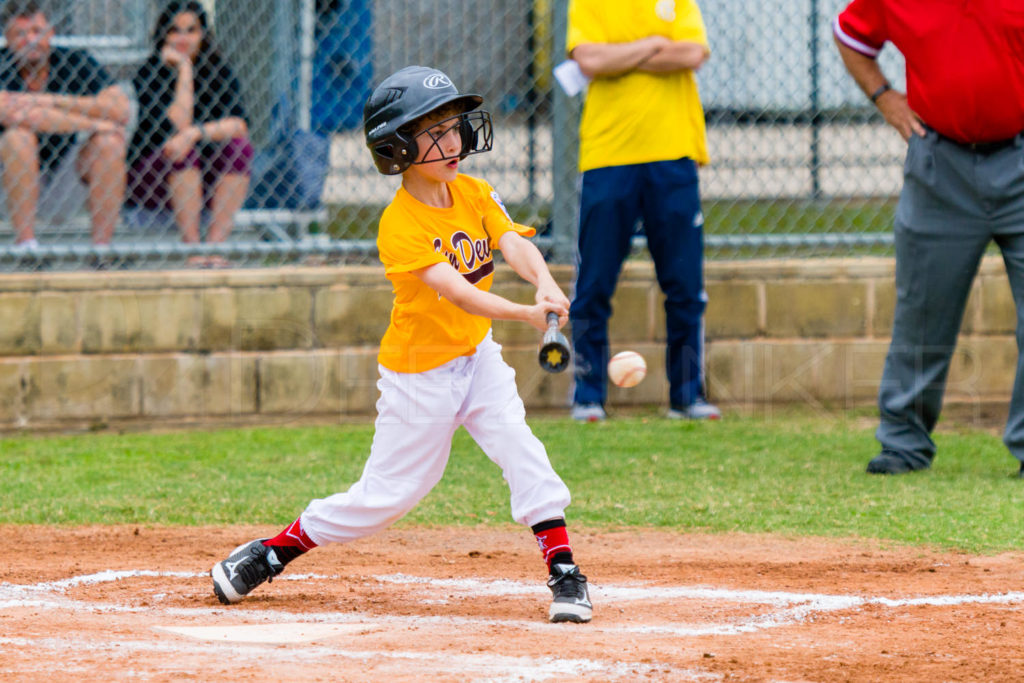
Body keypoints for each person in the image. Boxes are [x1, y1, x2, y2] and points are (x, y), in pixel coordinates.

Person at [210, 66, 593, 624]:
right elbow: (458, 294)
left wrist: (546, 283)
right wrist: (525, 314)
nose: (453, 141)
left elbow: (512, 244)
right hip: (420, 373)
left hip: (477, 358)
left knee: (520, 446)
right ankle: (270, 553)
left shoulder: (474, 191)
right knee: (386, 497)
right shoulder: (399, 224)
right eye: (433, 133)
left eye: (453, 127)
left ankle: (564, 574)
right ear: (396, 148)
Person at [834, 2, 1024, 475]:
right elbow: (850, 36)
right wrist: (884, 97)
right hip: (940, 164)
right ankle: (903, 444)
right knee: (923, 312)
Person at [566, 0, 721, 423]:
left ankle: (687, 396)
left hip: (673, 156)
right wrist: (654, 45)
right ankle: (587, 395)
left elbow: (691, 53)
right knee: (594, 284)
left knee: (685, 286)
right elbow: (589, 59)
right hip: (607, 156)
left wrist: (621, 55)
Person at [127, 0, 252, 268]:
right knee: (182, 149)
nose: (182, 38)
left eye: (191, 30)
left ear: (203, 35)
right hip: (153, 179)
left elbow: (239, 125)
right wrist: (183, 69)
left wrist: (197, 133)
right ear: (164, 35)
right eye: (175, 30)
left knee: (239, 148)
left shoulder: (218, 70)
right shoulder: (150, 72)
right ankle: (192, 247)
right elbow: (178, 128)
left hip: (201, 176)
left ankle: (215, 247)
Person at [0, 1, 129, 249]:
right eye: (21, 33)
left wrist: (46, 99)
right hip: (8, 184)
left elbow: (120, 108)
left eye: (37, 31)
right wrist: (94, 122)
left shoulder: (72, 60)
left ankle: (101, 250)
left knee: (109, 142)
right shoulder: (2, 64)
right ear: (7, 38)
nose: (31, 40)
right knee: (19, 136)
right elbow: (21, 117)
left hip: (64, 178)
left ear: (51, 32)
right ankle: (26, 247)